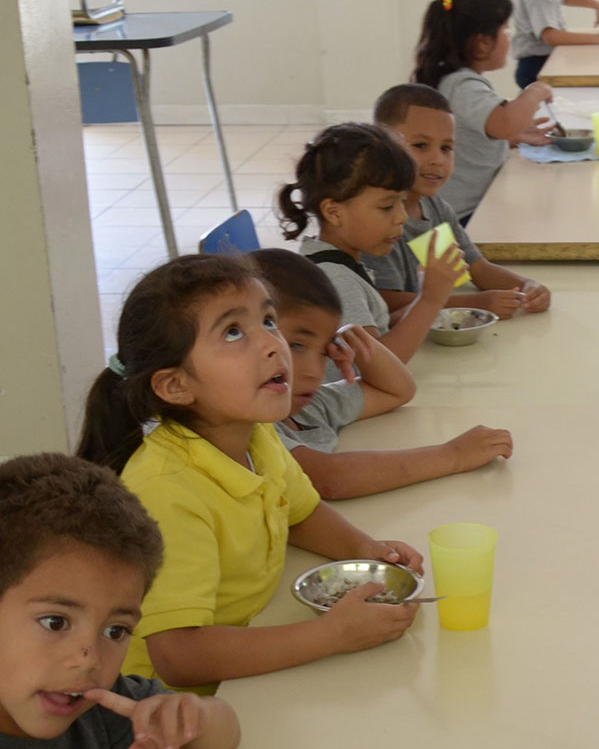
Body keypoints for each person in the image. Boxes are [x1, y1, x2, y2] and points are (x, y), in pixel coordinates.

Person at [75, 254, 425, 695]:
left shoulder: (257, 435)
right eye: (234, 332)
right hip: (169, 716)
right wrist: (332, 635)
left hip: (250, 657)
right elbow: (179, 656)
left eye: (269, 320)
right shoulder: (166, 491)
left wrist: (366, 553)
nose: (272, 344)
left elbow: (301, 512)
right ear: (176, 385)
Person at [0, 453, 240, 749]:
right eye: (56, 621)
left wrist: (191, 717)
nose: (88, 657)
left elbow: (225, 735)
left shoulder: (91, 701)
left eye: (116, 631)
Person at [252, 247, 513, 500]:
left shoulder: (310, 407)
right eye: (297, 346)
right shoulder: (252, 429)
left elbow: (397, 391)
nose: (314, 372)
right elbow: (331, 478)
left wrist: (359, 341)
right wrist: (453, 455)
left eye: (324, 351)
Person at [277, 122, 462, 367]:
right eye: (387, 207)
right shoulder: (336, 280)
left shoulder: (339, 260)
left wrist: (422, 303)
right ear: (334, 212)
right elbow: (378, 368)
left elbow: (377, 325)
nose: (402, 217)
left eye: (402, 202)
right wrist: (430, 300)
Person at [366, 84, 551, 319]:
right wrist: (472, 303)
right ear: (382, 145)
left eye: (446, 148)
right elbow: (386, 301)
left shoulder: (435, 207)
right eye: (420, 146)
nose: (437, 160)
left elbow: (478, 268)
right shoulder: (376, 219)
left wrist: (527, 286)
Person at [412, 0, 553, 222]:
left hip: (466, 207)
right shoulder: (463, 86)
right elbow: (506, 121)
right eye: (506, 30)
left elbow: (468, 138)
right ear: (483, 43)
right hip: (463, 216)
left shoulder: (451, 78)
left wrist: (510, 139)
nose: (510, 37)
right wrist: (535, 91)